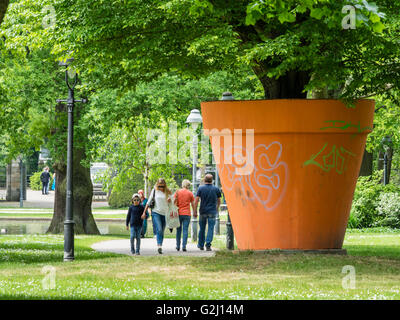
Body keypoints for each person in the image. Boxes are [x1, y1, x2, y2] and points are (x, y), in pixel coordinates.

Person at [142, 178, 172, 254]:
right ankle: (159, 246)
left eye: (162, 186)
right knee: (159, 229)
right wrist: (144, 212)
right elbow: (148, 202)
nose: (161, 188)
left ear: (164, 185)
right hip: (156, 212)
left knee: (162, 230)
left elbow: (172, 203)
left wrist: (170, 200)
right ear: (157, 185)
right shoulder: (154, 190)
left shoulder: (168, 192)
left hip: (165, 213)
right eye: (159, 186)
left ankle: (160, 244)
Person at [194, 174, 221, 251]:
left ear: (204, 180)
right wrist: (217, 208)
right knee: (210, 228)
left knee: (202, 228)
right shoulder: (216, 189)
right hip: (212, 211)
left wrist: (195, 211)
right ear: (212, 180)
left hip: (203, 211)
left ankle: (200, 245)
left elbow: (196, 200)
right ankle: (208, 245)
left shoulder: (201, 188)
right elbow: (219, 200)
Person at [174, 179, 195, 252]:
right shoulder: (190, 193)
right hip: (187, 214)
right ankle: (184, 246)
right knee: (185, 230)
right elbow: (193, 204)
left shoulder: (177, 192)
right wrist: (195, 212)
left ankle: (177, 246)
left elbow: (174, 202)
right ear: (188, 185)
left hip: (179, 213)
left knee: (178, 230)